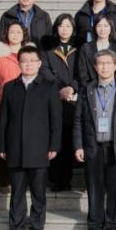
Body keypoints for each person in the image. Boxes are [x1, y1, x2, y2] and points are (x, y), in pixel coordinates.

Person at [0, 46, 62, 230]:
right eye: (24, 61)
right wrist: (2, 145)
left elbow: (55, 120)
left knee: (38, 192)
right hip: (15, 147)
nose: (29, 64)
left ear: (39, 63)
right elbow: (3, 120)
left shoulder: (49, 86)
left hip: (39, 147)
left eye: (33, 60)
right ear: (19, 63)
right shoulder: (10, 87)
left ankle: (37, 229)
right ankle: (16, 229)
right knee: (16, 192)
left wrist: (54, 145)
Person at [73, 49, 116, 230]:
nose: (104, 67)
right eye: (100, 63)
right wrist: (78, 145)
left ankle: (112, 228)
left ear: (115, 66)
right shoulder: (87, 89)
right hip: (93, 146)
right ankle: (94, 228)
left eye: (108, 63)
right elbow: (78, 119)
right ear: (95, 66)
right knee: (94, 189)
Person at [0, 21, 29, 187]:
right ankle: (4, 181)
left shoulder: (30, 54)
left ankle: (24, 181)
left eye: (18, 32)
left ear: (24, 35)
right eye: (12, 32)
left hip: (27, 105)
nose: (15, 35)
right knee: (5, 142)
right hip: (4, 104)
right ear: (6, 34)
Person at [42, 14, 79, 192]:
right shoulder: (48, 50)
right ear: (56, 28)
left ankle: (66, 179)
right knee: (55, 140)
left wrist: (72, 87)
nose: (64, 29)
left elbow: (82, 73)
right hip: (54, 99)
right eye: (61, 26)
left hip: (72, 102)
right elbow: (45, 71)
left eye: (68, 26)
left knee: (69, 140)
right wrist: (60, 89)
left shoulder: (79, 50)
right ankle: (54, 179)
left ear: (73, 29)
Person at [74, 16, 116, 89]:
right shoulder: (86, 48)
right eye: (99, 26)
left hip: (112, 89)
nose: (102, 29)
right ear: (95, 28)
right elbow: (82, 73)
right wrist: (90, 88)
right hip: (89, 88)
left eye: (106, 26)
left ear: (111, 28)